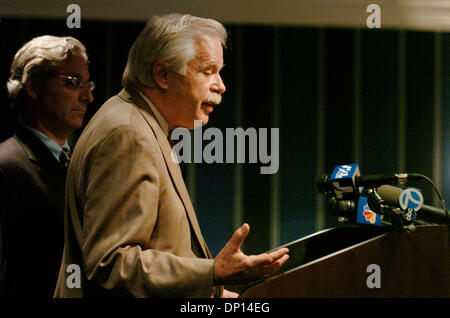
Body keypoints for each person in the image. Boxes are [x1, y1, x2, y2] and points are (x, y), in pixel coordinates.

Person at [54, 14, 289, 298]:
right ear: (162, 74)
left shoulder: (140, 124)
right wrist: (212, 272)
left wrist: (219, 295)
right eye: (207, 71)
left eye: (220, 71)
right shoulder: (129, 134)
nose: (220, 85)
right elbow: (113, 266)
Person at [0, 35, 94, 297]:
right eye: (73, 82)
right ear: (33, 87)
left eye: (88, 84)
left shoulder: (79, 164)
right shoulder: (6, 166)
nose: (87, 95)